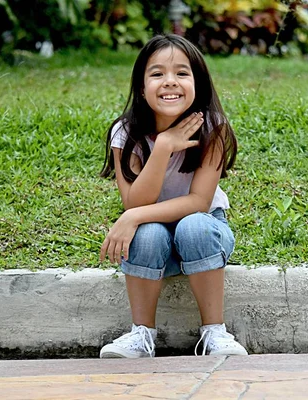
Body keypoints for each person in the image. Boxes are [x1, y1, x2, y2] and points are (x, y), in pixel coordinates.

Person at [98, 34, 247, 358]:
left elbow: (198, 202)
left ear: (198, 84)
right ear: (141, 87)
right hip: (156, 240)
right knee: (147, 233)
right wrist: (163, 146)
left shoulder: (213, 128)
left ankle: (215, 333)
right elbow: (136, 202)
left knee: (192, 225)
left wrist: (132, 217)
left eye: (181, 73)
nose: (170, 82)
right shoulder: (125, 133)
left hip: (203, 231)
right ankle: (141, 334)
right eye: (157, 74)